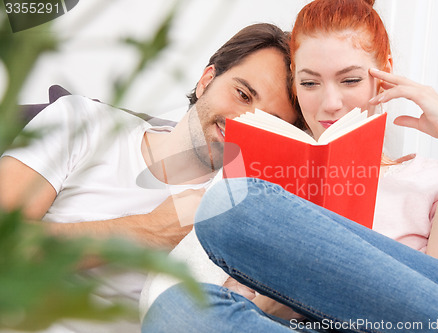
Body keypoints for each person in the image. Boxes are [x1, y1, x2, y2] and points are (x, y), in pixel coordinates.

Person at [141, 0, 438, 332]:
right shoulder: (269, 183)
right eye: (310, 83)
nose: (331, 103)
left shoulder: (433, 178)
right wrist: (275, 291)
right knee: (174, 307)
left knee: (231, 204)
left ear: (384, 73)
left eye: (351, 80)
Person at [0, 23, 299, 332]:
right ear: (206, 80)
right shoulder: (83, 122)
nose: (242, 125)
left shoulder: (238, 214)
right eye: (242, 94)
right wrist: (150, 230)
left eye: (267, 124)